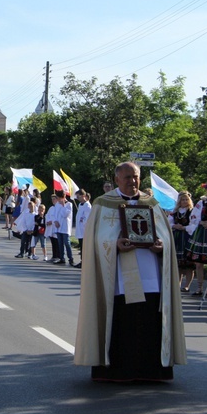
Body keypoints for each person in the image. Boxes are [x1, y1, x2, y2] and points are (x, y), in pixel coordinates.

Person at [75, 162, 186, 382]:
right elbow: (94, 239)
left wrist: (161, 245)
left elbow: (165, 236)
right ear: (117, 179)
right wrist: (114, 243)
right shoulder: (103, 204)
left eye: (135, 177)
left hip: (151, 273)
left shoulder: (151, 203)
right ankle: (119, 370)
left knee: (149, 319)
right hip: (118, 277)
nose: (132, 181)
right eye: (127, 177)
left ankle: (152, 371)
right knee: (124, 321)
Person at [170, 191, 194, 291]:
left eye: (186, 199)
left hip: (188, 237)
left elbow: (194, 224)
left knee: (189, 264)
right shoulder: (174, 212)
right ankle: (178, 284)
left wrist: (184, 228)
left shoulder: (192, 211)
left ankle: (187, 285)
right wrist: (175, 226)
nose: (184, 201)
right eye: (182, 199)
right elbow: (168, 222)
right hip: (177, 237)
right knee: (178, 263)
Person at [53, 191, 74, 266]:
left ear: (62, 197)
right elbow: (55, 214)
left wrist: (63, 205)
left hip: (65, 227)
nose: (57, 199)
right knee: (60, 243)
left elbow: (65, 215)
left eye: (58, 198)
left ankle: (70, 258)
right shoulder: (57, 205)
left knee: (66, 243)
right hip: (58, 227)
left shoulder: (69, 204)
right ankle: (62, 258)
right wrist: (55, 221)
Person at [74, 189, 92, 269]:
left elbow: (87, 219)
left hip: (84, 231)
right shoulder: (80, 205)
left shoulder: (87, 206)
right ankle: (82, 261)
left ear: (83, 196)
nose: (77, 198)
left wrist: (82, 220)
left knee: (84, 248)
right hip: (80, 230)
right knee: (81, 247)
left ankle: (84, 263)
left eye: (79, 196)